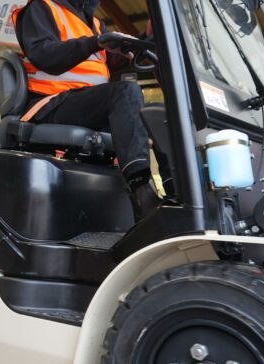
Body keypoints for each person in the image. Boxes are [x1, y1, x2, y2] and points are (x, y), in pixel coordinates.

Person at [12, 0, 161, 220]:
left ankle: (174, 191)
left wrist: (143, 40)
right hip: (51, 103)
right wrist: (94, 43)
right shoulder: (41, 7)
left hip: (84, 104)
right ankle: (141, 192)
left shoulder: (94, 23)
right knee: (126, 92)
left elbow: (115, 57)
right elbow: (45, 56)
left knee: (157, 115)